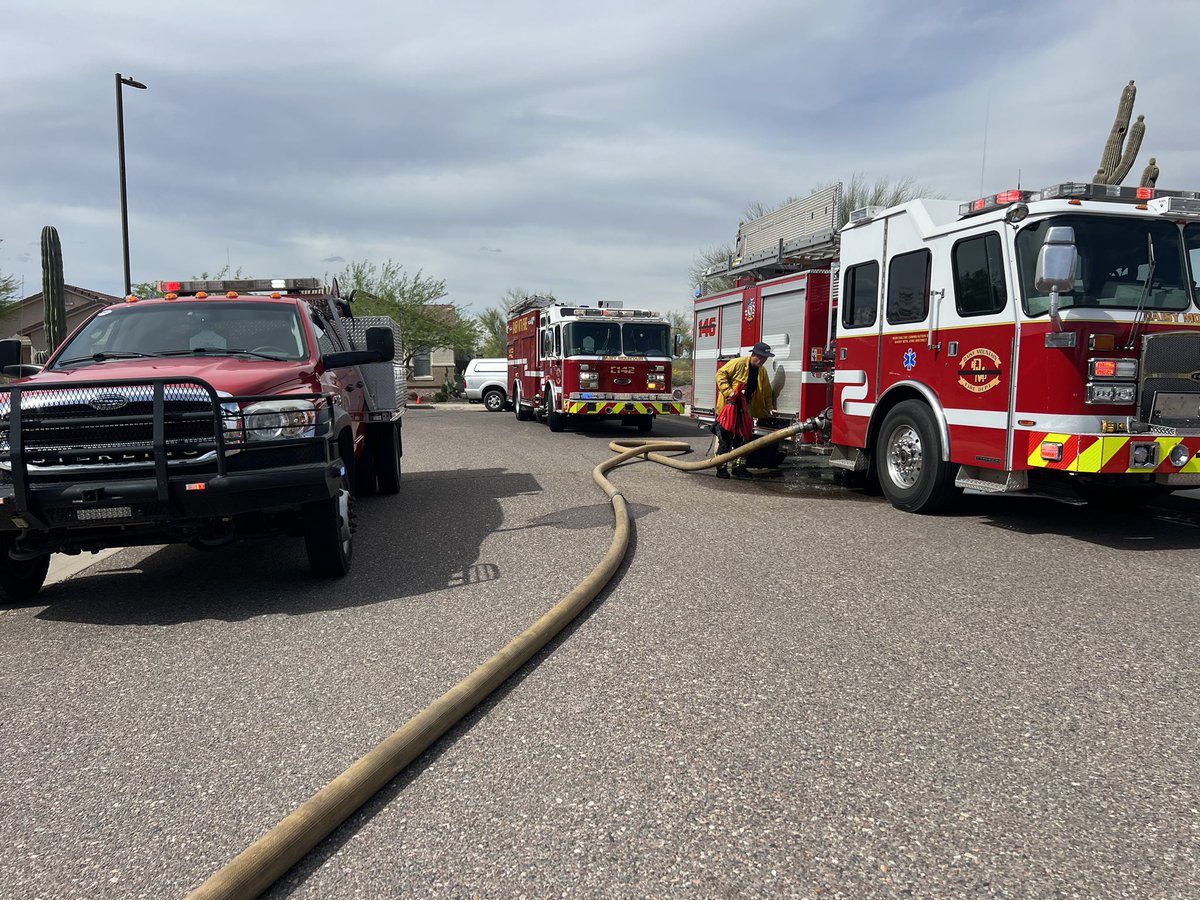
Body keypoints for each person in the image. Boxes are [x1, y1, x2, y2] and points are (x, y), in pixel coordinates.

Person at [713, 341, 776, 479]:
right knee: (726, 438)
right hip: (730, 407)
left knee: (743, 439)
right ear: (753, 354)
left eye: (765, 358)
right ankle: (721, 468)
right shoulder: (738, 363)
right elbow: (720, 374)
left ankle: (739, 467)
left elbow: (766, 391)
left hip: (745, 407)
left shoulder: (762, 371)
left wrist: (770, 407)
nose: (762, 360)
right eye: (760, 356)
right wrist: (729, 392)